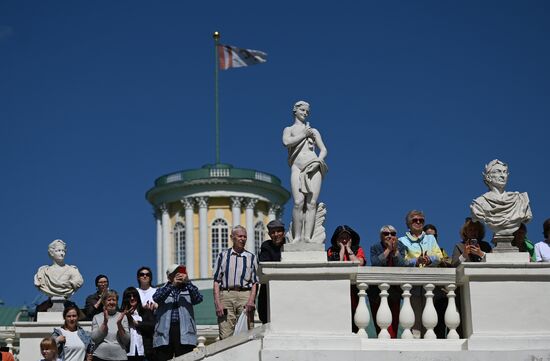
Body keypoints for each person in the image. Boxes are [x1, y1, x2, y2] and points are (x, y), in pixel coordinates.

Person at [282, 100, 328, 243]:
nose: (305, 113)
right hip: (297, 167)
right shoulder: (289, 129)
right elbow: (286, 142)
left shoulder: (313, 131)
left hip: (313, 165)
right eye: (302, 110)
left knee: (311, 203)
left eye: (307, 111)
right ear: (295, 110)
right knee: (298, 202)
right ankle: (296, 237)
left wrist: (318, 162)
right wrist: (304, 134)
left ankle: (307, 237)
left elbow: (324, 150)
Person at [398, 210, 443, 338]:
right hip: (413, 286)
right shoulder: (401, 241)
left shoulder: (430, 238)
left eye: (421, 220)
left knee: (430, 320)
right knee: (415, 320)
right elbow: (401, 261)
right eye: (415, 220)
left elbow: (439, 256)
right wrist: (415, 261)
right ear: (408, 223)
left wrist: (430, 259)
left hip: (430, 284)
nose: (418, 222)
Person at [213, 226, 259, 339]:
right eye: (240, 236)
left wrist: (251, 300)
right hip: (226, 294)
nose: (242, 239)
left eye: (245, 237)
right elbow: (216, 281)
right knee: (225, 333)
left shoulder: (251, 257)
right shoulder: (223, 256)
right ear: (232, 238)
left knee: (247, 332)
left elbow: (255, 282)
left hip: (245, 294)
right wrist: (218, 303)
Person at [470, 159, 532, 237]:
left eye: (505, 172)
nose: (503, 175)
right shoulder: (479, 203)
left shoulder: (519, 199)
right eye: (498, 171)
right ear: (488, 176)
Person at [153, 264, 203, 360]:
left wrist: (188, 282)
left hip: (184, 331)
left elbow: (198, 299)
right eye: (175, 273)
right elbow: (156, 298)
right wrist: (172, 285)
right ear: (169, 277)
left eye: (180, 273)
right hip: (164, 332)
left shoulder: (189, 288)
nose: (179, 275)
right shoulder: (163, 289)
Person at [369, 225, 407, 338]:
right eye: (386, 234)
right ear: (381, 236)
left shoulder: (401, 247)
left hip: (395, 291)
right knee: (380, 324)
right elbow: (375, 263)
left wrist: (395, 251)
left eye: (393, 234)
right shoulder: (375, 247)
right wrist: (388, 250)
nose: (390, 236)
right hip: (376, 292)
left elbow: (402, 265)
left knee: (394, 324)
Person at [327, 225, 365, 333]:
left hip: (355, 291)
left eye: (347, 238)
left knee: (355, 316)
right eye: (341, 238)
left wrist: (348, 249)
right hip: (337, 290)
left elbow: (359, 263)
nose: (344, 240)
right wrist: (342, 250)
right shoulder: (330, 251)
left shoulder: (358, 249)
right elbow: (335, 265)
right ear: (337, 240)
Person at [257, 220, 286, 324]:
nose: (276, 235)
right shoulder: (266, 246)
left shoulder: (289, 245)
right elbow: (265, 265)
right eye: (273, 232)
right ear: (269, 234)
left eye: (278, 231)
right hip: (268, 287)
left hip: (286, 287)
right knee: (265, 315)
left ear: (284, 233)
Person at [91, 290, 130, 361]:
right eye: (109, 300)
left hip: (120, 358)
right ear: (104, 302)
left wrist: (119, 325)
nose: (112, 302)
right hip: (100, 358)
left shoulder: (123, 317)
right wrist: (105, 323)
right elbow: (95, 339)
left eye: (114, 300)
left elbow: (126, 341)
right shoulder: (97, 317)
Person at [121, 288, 155, 361]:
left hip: (144, 353)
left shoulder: (146, 312)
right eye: (129, 296)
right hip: (127, 353)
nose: (132, 298)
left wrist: (136, 323)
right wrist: (126, 317)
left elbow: (152, 326)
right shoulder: (121, 314)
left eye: (134, 296)